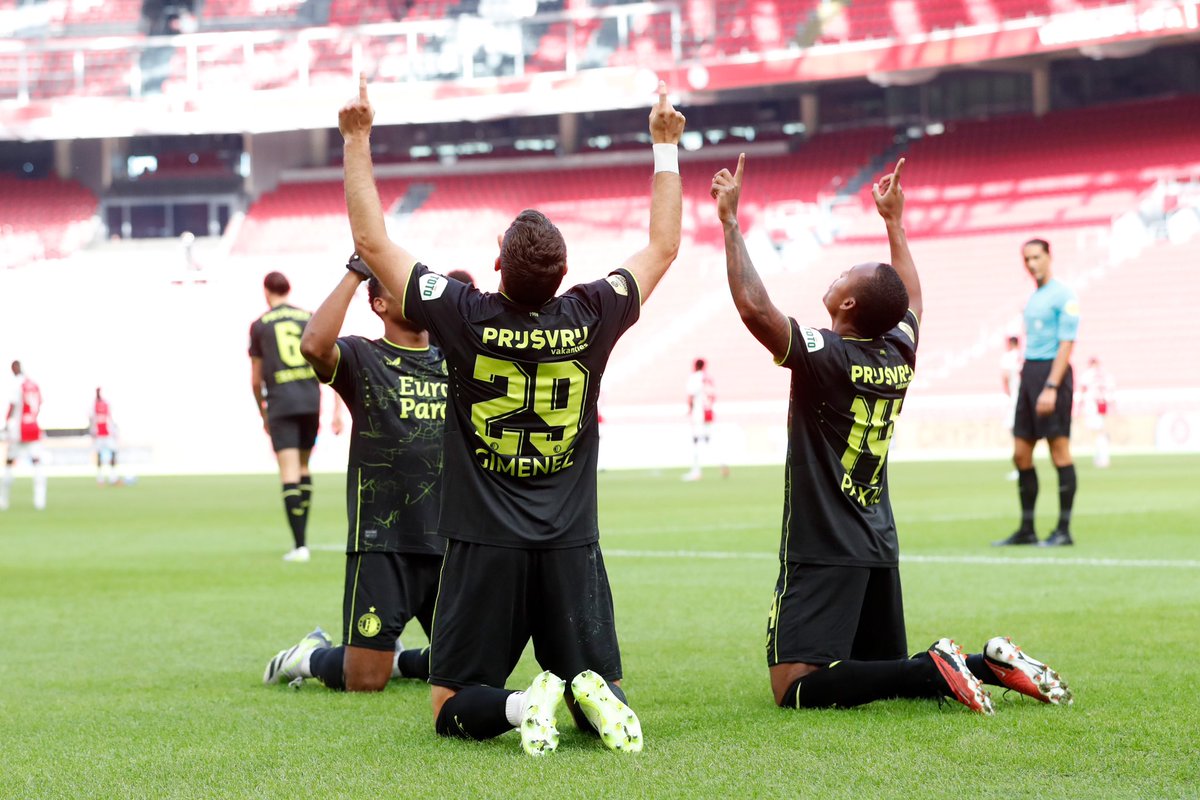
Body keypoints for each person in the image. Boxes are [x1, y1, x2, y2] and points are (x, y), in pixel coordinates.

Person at [339, 73, 685, 754]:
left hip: (483, 541)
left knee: (448, 703)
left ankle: (530, 700)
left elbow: (373, 244)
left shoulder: (463, 315)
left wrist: (356, 138)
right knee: (598, 679)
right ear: (564, 275)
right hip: (570, 540)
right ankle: (588, 694)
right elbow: (664, 247)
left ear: (497, 264)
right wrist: (665, 148)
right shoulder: (593, 313)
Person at [711, 155, 1072, 715]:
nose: (833, 277)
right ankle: (986, 665)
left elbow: (755, 307)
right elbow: (915, 302)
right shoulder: (898, 351)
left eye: (842, 277)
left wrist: (731, 222)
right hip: (877, 538)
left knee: (795, 687)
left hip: (825, 542)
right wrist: (894, 224)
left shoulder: (827, 358)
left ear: (848, 304)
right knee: (881, 666)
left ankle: (935, 669)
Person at [262, 253, 446, 692]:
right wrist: (356, 273)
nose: (413, 289)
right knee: (364, 681)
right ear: (379, 305)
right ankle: (308, 657)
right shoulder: (364, 357)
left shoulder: (453, 357)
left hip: (448, 536)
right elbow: (313, 347)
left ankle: (396, 660)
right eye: (399, 286)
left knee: (473, 666)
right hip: (383, 541)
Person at [993, 239, 1081, 547]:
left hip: (1051, 375)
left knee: (1059, 453)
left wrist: (1052, 387)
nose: (1031, 264)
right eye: (1027, 258)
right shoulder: (1033, 299)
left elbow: (1067, 344)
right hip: (1029, 373)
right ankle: (1027, 529)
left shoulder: (1064, 295)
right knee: (1020, 454)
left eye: (1036, 257)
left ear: (1048, 257)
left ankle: (1063, 530)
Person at [248, 271, 323, 562]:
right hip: (310, 399)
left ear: (267, 291)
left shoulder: (259, 326)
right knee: (304, 467)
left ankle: (299, 544)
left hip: (281, 402)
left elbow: (256, 379)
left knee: (289, 471)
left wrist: (262, 412)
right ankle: (303, 541)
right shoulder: (308, 318)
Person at [1, 360, 46, 511]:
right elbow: (39, 404)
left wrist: (7, 424)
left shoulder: (17, 384)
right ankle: (40, 502)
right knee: (37, 463)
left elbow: (12, 406)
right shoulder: (33, 384)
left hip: (19, 430)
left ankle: (3, 501)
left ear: (14, 368)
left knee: (8, 463)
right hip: (33, 427)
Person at [682, 357, 716, 481]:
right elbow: (713, 395)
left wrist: (690, 410)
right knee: (707, 439)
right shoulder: (708, 378)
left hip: (699, 413)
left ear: (695, 366)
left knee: (695, 441)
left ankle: (696, 471)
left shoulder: (695, 377)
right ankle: (721, 462)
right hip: (709, 412)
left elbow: (691, 396)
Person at [1078, 356, 1112, 469]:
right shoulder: (1105, 374)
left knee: (1098, 433)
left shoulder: (1088, 374)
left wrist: (1080, 406)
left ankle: (1103, 457)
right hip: (1102, 405)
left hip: (1092, 405)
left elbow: (1083, 390)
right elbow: (1110, 390)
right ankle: (1100, 456)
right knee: (1100, 431)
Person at [1000, 336, 1022, 480]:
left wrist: (1008, 392)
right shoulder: (1023, 356)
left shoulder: (1008, 357)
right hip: (1025, 396)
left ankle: (1020, 466)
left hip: (1015, 397)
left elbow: (1005, 377)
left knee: (1015, 432)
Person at [90, 387, 120, 485]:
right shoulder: (93, 405)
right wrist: (93, 432)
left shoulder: (107, 404)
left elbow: (110, 419)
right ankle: (100, 478)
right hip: (99, 435)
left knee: (113, 454)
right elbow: (92, 419)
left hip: (108, 435)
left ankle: (113, 477)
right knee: (99, 456)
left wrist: (114, 432)